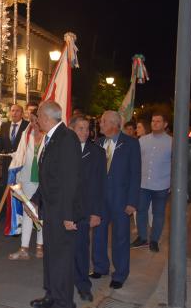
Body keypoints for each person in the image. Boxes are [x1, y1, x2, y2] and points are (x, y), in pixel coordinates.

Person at [29, 101, 81, 308]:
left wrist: (69, 215)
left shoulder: (67, 138)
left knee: (62, 258)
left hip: (62, 211)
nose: (37, 119)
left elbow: (70, 179)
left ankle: (64, 301)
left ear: (47, 118)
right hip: (50, 209)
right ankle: (51, 294)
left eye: (39, 115)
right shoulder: (51, 138)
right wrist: (34, 199)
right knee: (51, 254)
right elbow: (49, 177)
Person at [90, 110, 141, 289]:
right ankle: (100, 267)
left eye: (103, 121)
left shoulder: (131, 144)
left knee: (120, 237)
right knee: (98, 234)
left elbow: (136, 174)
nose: (100, 124)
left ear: (113, 123)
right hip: (100, 200)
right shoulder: (98, 142)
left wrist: (132, 202)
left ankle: (120, 274)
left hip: (121, 199)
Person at [68, 115, 106, 302]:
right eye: (80, 128)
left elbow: (100, 185)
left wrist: (96, 212)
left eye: (87, 128)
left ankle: (83, 286)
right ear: (71, 129)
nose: (84, 132)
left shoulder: (97, 152)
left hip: (84, 210)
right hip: (64, 210)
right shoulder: (62, 151)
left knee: (81, 249)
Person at [131, 113, 172, 252]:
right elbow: (136, 162)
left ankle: (154, 240)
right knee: (141, 211)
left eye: (158, 121)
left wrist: (172, 182)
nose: (154, 123)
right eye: (153, 121)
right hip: (143, 184)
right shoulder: (142, 140)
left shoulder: (172, 142)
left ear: (165, 124)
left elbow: (176, 164)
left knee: (158, 214)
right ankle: (142, 238)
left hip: (162, 185)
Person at [7, 110, 44, 260]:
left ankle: (40, 246)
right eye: (31, 121)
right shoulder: (26, 134)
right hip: (27, 178)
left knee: (41, 213)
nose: (33, 124)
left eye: (36, 121)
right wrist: (13, 172)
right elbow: (19, 154)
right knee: (28, 211)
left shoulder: (49, 136)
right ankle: (24, 248)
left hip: (43, 180)